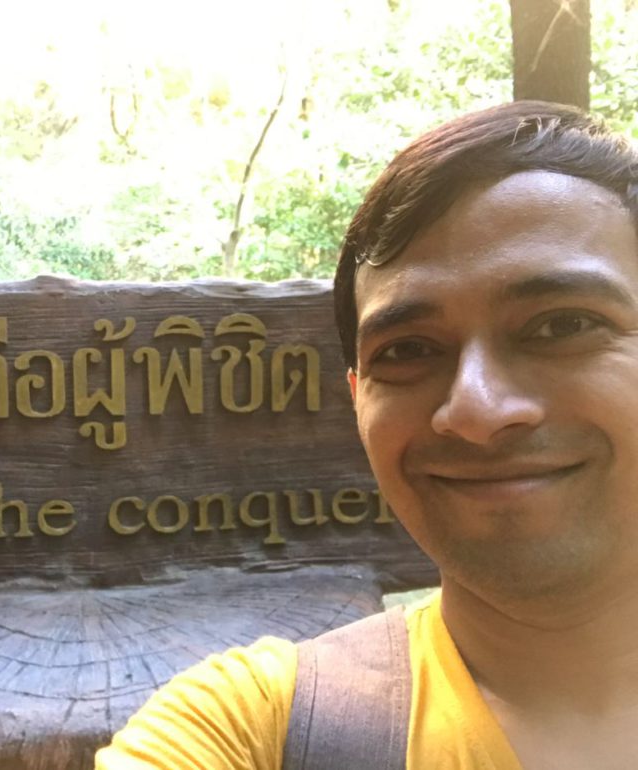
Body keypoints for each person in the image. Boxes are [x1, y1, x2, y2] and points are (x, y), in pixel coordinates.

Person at [94, 100, 638, 769]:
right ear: (358, 402)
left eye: (561, 325)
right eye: (407, 350)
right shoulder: (249, 728)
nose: (477, 409)